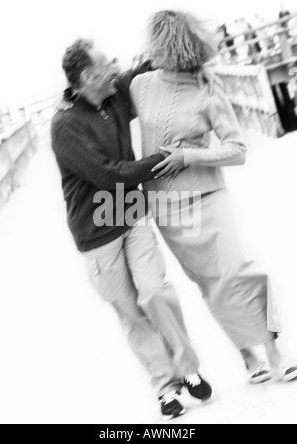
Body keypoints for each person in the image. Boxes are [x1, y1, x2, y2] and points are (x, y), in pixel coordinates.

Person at [130, 10, 297, 385]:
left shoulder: (209, 89)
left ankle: (274, 349)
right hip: (167, 207)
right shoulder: (139, 85)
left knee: (242, 268)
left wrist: (188, 156)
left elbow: (237, 150)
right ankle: (247, 355)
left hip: (208, 195)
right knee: (210, 282)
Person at [51, 38, 212, 420]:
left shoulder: (114, 94)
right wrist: (162, 160)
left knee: (155, 291)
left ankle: (188, 370)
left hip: (131, 215)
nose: (115, 66)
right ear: (88, 76)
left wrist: (185, 54)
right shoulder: (65, 125)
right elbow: (107, 176)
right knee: (132, 314)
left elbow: (149, 66)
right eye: (107, 63)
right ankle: (165, 386)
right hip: (96, 232)